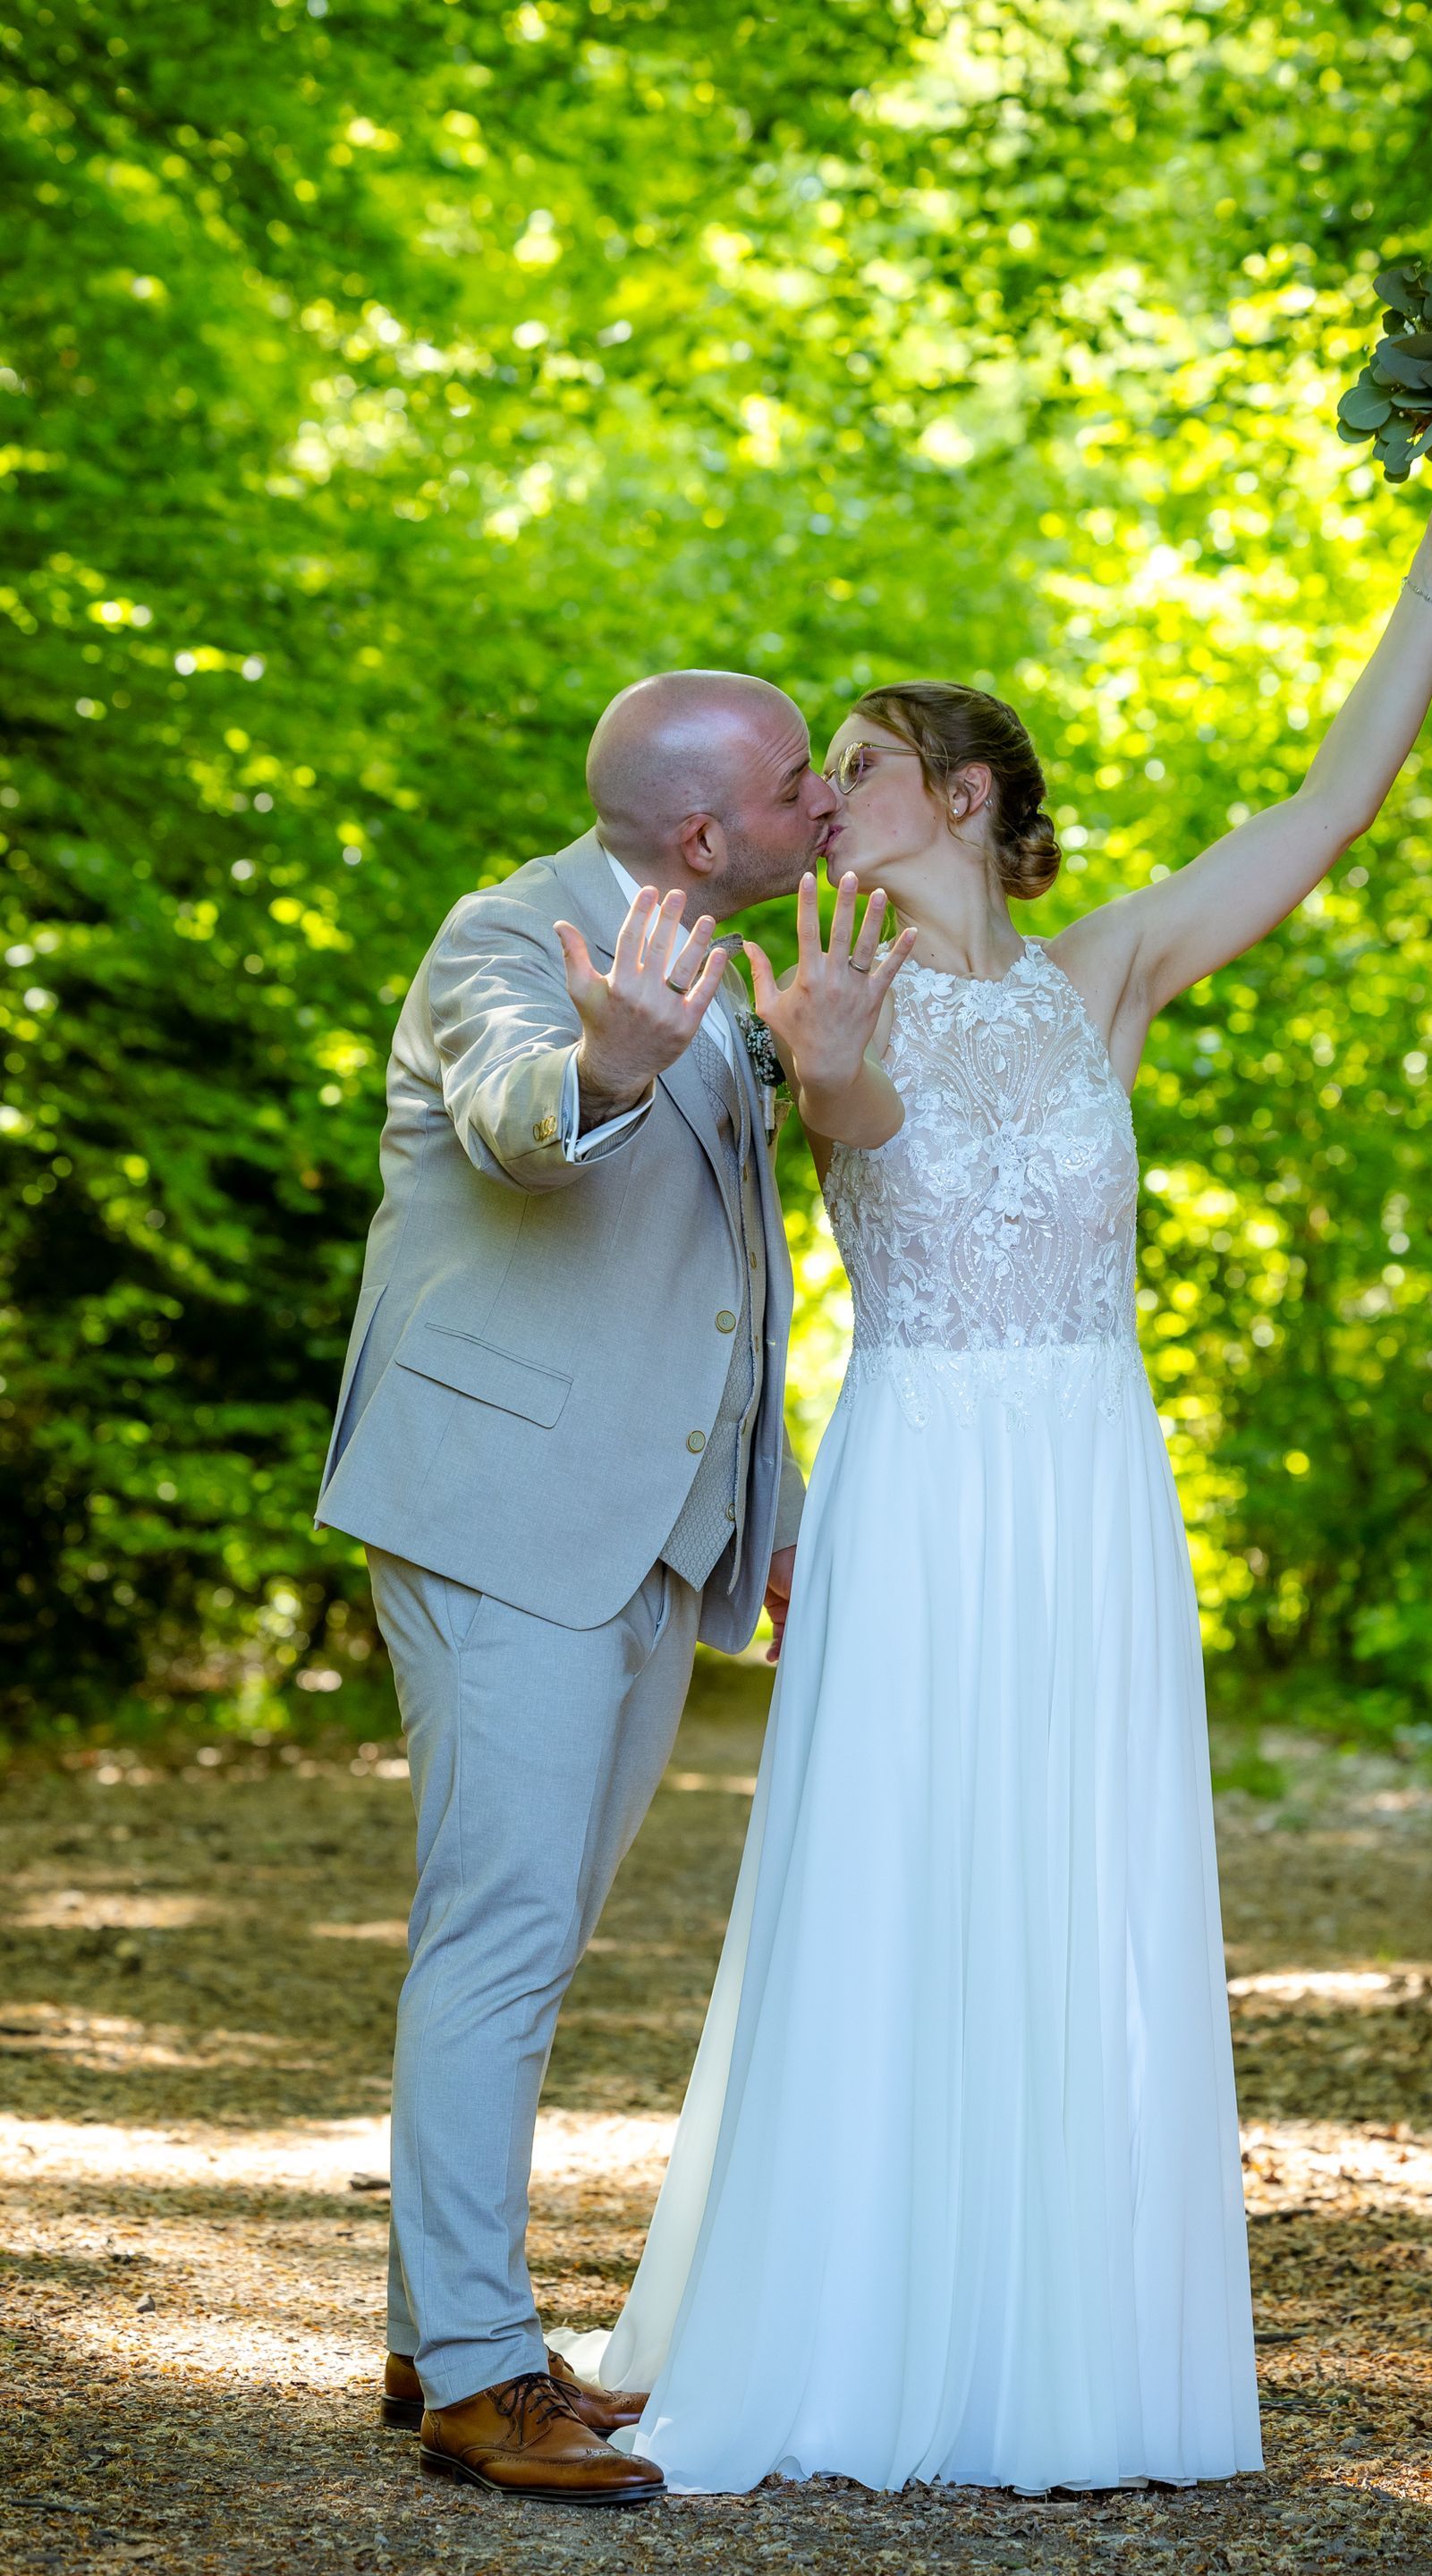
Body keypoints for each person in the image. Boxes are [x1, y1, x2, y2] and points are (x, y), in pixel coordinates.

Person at [553, 445, 1432, 2492]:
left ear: (969, 792)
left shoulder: (1110, 975)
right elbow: (854, 1124)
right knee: (901, 1867)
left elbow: (1332, 804)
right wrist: (827, 1062)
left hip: (1090, 1481)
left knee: (1073, 1879)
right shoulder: (829, 990)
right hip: (922, 1477)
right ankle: (862, 2324)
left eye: (860, 762)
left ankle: (1062, 2340)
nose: (827, 793)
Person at [317, 670, 837, 2503]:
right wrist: (606, 1066)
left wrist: (771, 1501)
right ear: (703, 833)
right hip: (504, 1515)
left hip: (648, 1531)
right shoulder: (506, 937)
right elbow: (514, 1116)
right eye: (798, 782)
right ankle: (479, 2378)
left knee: (530, 1935)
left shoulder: (728, 975)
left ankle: (433, 2329)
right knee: (502, 1936)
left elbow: (728, 1278)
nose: (822, 803)